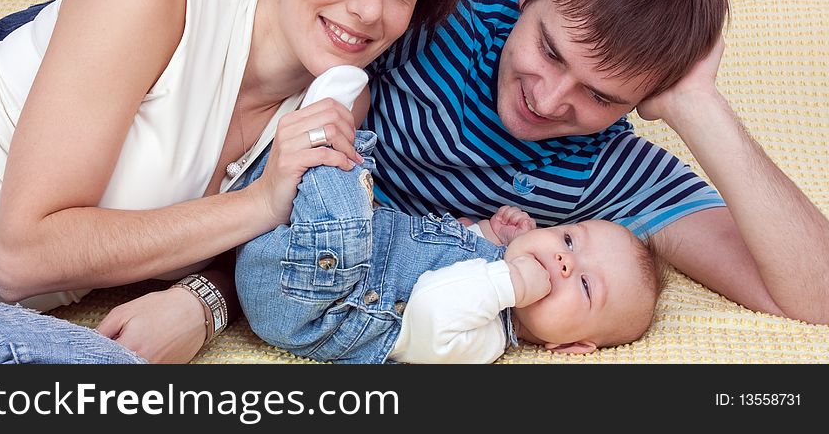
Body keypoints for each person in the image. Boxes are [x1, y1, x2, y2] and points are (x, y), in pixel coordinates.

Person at [0, 0, 477, 363]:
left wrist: (203, 301)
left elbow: (278, 260)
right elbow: (22, 256)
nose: (368, 8)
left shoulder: (335, 106)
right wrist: (261, 200)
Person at [363, 0, 829, 326]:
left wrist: (698, 104)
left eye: (599, 95)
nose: (547, 102)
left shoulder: (612, 171)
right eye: (550, 51)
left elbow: (817, 297)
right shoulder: (436, 5)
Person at [232, 66, 663, 363]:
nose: (565, 263)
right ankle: (254, 167)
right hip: (301, 253)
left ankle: (322, 125)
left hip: (309, 301)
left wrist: (509, 282)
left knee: (349, 188)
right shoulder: (494, 262)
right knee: (337, 199)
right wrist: (488, 234)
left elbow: (433, 308)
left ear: (571, 345)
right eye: (569, 240)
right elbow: (437, 244)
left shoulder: (486, 341)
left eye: (585, 286)